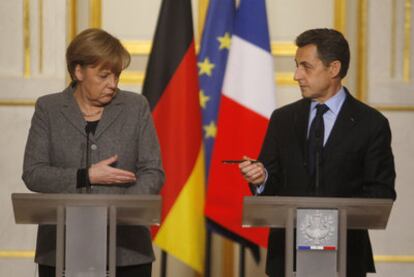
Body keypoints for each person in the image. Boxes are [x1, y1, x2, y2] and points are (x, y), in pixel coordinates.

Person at [239, 28, 396, 277]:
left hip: (345, 259)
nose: (296, 75)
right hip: (287, 259)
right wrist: (261, 179)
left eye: (306, 67)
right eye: (296, 66)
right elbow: (271, 184)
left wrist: (332, 216)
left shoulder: (371, 123)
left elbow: (381, 193)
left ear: (333, 69)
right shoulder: (283, 119)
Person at [22, 28, 164, 277]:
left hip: (126, 249)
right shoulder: (49, 108)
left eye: (117, 75)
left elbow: (153, 172)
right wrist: (85, 176)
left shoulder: (135, 107)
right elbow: (34, 173)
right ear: (78, 71)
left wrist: (117, 209)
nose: (113, 84)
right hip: (61, 250)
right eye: (104, 76)